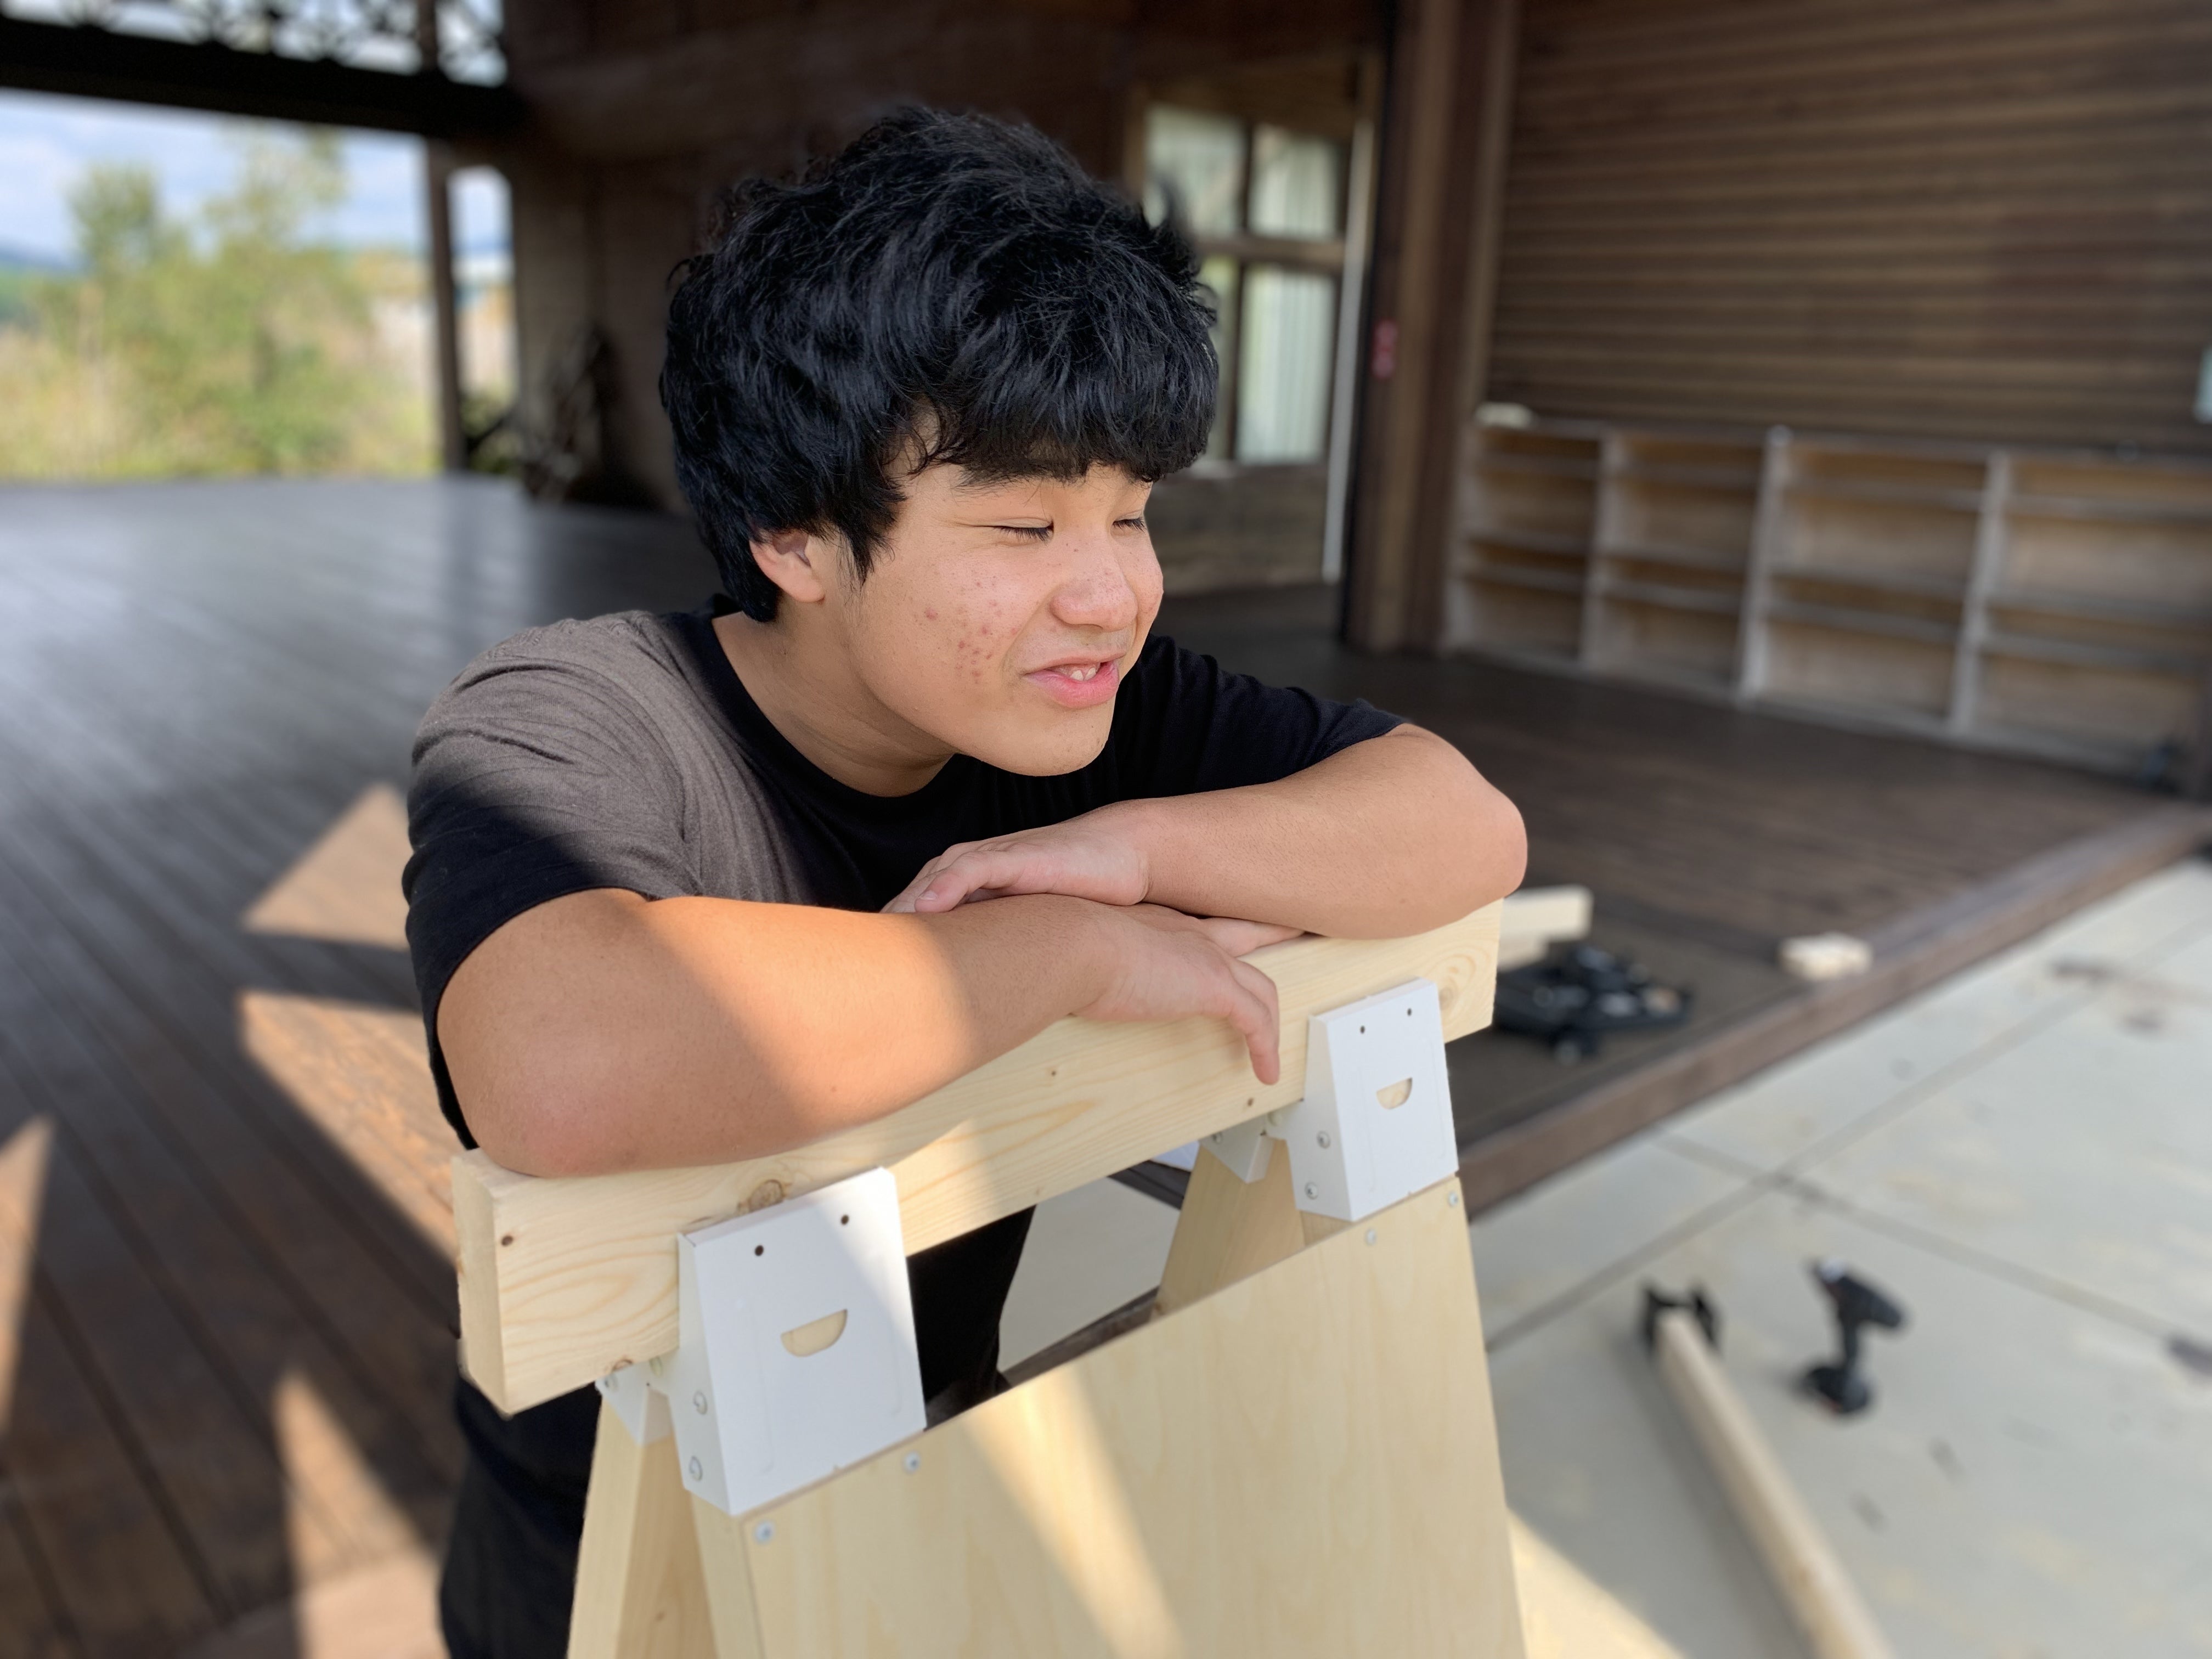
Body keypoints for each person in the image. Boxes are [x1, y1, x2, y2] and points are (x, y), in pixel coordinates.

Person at [404, 107, 1526, 1659]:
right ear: (795, 536)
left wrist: (1138, 850)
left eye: (1131, 513)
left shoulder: (1085, 715)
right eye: (1024, 522)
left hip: (923, 1487)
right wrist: (1068, 950)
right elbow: (565, 1060)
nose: (1112, 593)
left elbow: (1465, 822)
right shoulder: (570, 718)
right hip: (616, 1567)